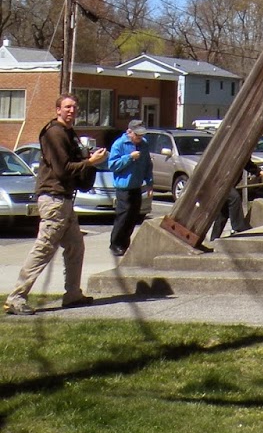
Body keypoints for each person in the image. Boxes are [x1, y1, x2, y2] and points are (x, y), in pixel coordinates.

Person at [5, 94, 107, 315]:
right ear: (57, 110)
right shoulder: (54, 133)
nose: (72, 111)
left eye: (74, 107)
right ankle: (16, 297)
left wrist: (88, 159)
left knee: (75, 246)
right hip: (53, 199)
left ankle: (72, 295)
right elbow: (62, 169)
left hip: (64, 199)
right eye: (67, 107)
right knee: (44, 249)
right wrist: (90, 162)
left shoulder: (68, 133)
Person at [106, 119, 154, 258]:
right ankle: (115, 244)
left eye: (141, 135)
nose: (139, 138)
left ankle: (125, 244)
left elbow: (147, 165)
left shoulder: (144, 145)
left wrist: (150, 183)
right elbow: (113, 165)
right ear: (129, 132)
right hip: (124, 188)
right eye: (137, 135)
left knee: (133, 217)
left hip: (136, 186)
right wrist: (129, 157)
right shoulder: (119, 144)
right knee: (123, 216)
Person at [208, 145, 263, 242]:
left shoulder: (243, 150)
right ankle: (238, 227)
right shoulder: (233, 147)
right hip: (218, 181)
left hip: (225, 183)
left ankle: (214, 239)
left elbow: (245, 163)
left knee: (224, 211)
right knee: (234, 197)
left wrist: (259, 171)